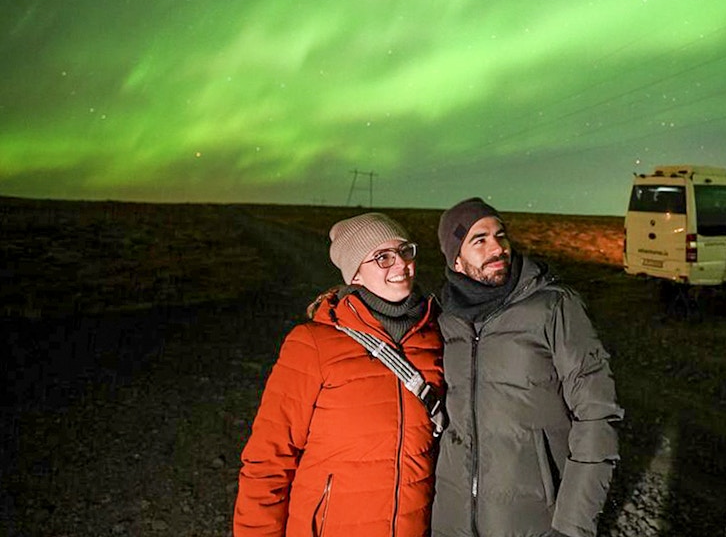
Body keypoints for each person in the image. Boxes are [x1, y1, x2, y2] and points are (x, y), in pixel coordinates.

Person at [234, 212, 444, 537]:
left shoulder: (434, 335)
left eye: (405, 251)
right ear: (355, 274)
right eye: (383, 257)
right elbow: (268, 459)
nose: (401, 264)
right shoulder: (313, 344)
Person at [431, 198, 624, 537]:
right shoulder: (444, 321)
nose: (497, 248)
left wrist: (572, 525)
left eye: (500, 234)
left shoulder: (554, 307)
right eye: (480, 239)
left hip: (534, 522)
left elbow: (597, 415)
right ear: (456, 261)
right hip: (453, 519)